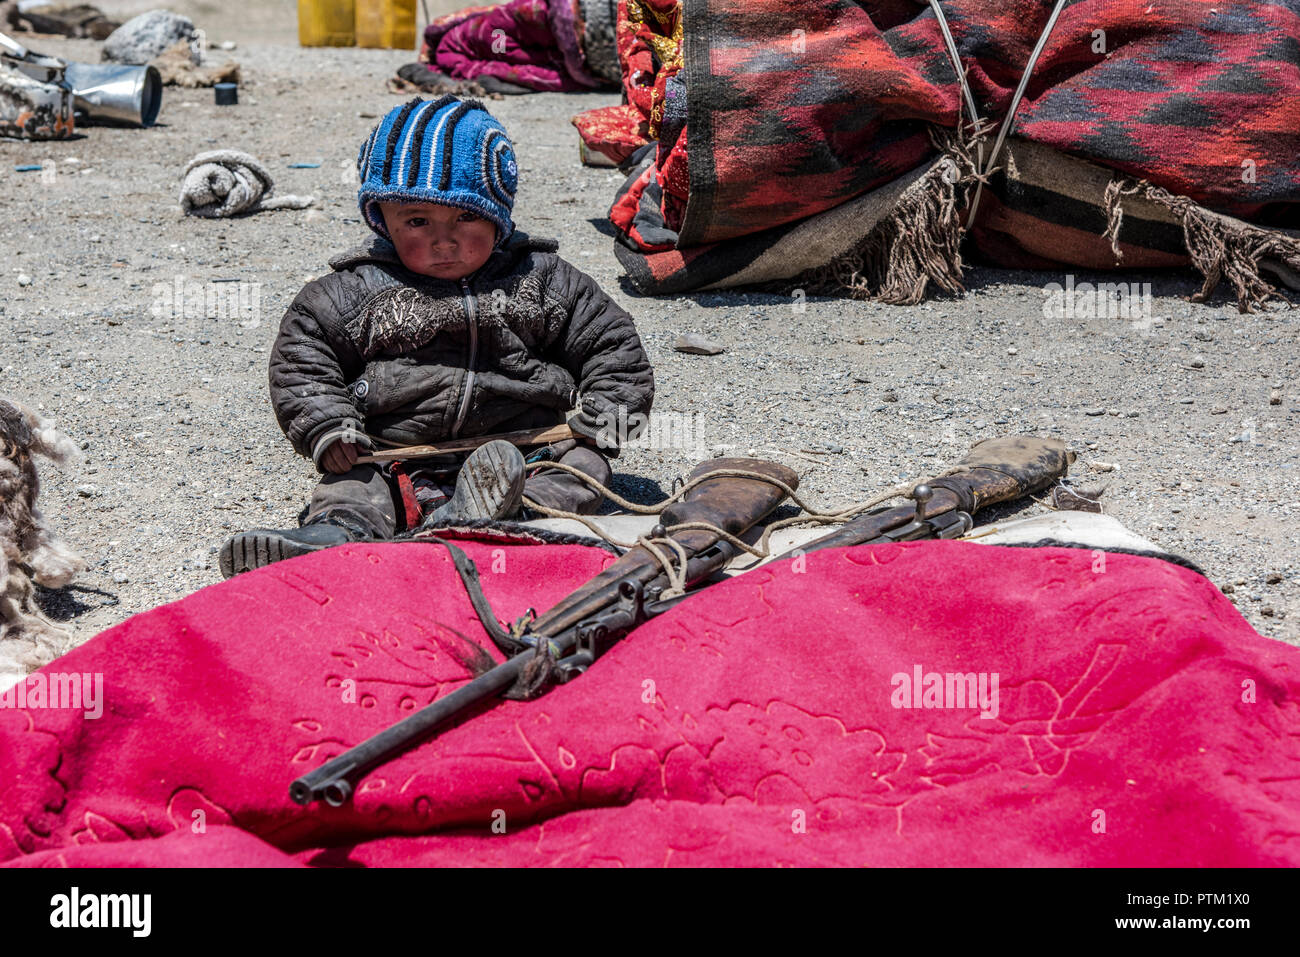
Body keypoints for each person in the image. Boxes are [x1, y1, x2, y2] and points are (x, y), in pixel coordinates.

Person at [219, 96, 654, 578]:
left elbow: (613, 347)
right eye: (417, 221)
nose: (443, 241)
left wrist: (609, 422)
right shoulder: (356, 291)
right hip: (394, 456)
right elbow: (304, 356)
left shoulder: (541, 280)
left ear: (498, 214)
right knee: (353, 485)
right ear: (382, 219)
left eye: (466, 218)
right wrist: (328, 427)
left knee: (583, 467)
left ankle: (514, 518)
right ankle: (334, 537)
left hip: (528, 452)